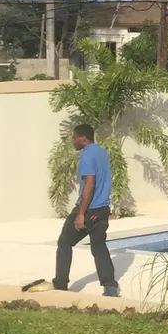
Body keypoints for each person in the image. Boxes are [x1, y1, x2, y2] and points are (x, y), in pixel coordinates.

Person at [53, 123, 119, 297]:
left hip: (89, 210)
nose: (73, 141)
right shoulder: (102, 152)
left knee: (64, 243)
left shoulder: (87, 155)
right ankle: (110, 285)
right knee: (99, 247)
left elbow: (89, 184)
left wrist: (81, 213)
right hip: (103, 208)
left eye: (74, 138)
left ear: (83, 138)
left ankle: (60, 284)